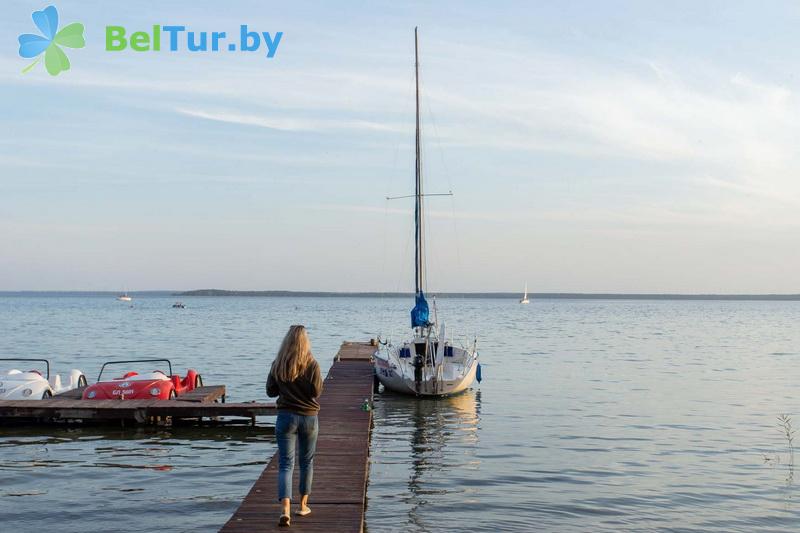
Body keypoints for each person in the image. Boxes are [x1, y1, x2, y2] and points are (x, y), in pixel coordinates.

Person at [266, 325, 323, 527]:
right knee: (306, 462)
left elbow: (270, 391)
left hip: (285, 418)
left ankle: (285, 509)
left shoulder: (278, 364)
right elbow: (316, 391)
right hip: (309, 418)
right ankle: (303, 506)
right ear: (305, 342)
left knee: (285, 464)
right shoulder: (312, 364)